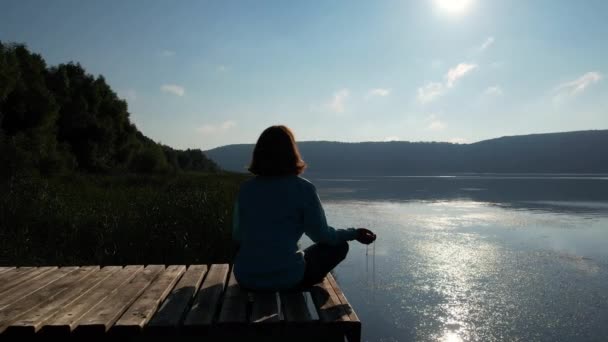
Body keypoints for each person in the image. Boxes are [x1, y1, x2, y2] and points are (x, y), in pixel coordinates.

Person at [231, 125, 376, 292]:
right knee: (339, 247)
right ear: (292, 152)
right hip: (289, 278)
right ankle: (296, 285)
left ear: (259, 153)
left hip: (247, 278)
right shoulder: (303, 189)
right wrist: (354, 233)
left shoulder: (246, 189)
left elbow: (238, 236)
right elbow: (322, 236)